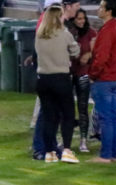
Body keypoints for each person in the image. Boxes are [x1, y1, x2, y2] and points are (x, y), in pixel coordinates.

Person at [35, 3, 82, 162]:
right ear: (57, 18)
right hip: (60, 79)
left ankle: (49, 153)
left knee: (49, 117)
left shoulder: (39, 34)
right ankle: (67, 150)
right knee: (68, 115)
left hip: (43, 80)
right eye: (62, 15)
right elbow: (76, 52)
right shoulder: (64, 33)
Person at [90, 0, 116, 161]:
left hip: (104, 79)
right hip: (115, 78)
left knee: (105, 118)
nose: (98, 9)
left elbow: (101, 57)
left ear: (108, 11)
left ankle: (105, 155)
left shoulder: (107, 30)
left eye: (101, 7)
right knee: (112, 117)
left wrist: (92, 74)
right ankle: (114, 154)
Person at [67, 7, 97, 152]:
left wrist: (89, 54)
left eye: (83, 18)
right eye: (78, 19)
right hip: (68, 72)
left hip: (83, 73)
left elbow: (96, 50)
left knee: (83, 107)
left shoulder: (91, 33)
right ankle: (66, 139)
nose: (81, 21)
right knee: (66, 108)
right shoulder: (68, 32)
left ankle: (83, 140)